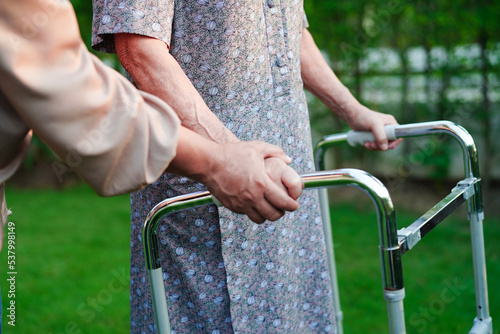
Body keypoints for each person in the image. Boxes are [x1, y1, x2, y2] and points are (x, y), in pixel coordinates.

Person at [92, 1, 402, 333]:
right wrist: (228, 157)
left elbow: (289, 31)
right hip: (207, 195)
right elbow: (139, 49)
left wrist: (353, 110)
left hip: (287, 176)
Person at [0, 0, 304, 253]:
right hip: (200, 195)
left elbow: (291, 32)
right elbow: (73, 92)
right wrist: (218, 159)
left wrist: (352, 112)